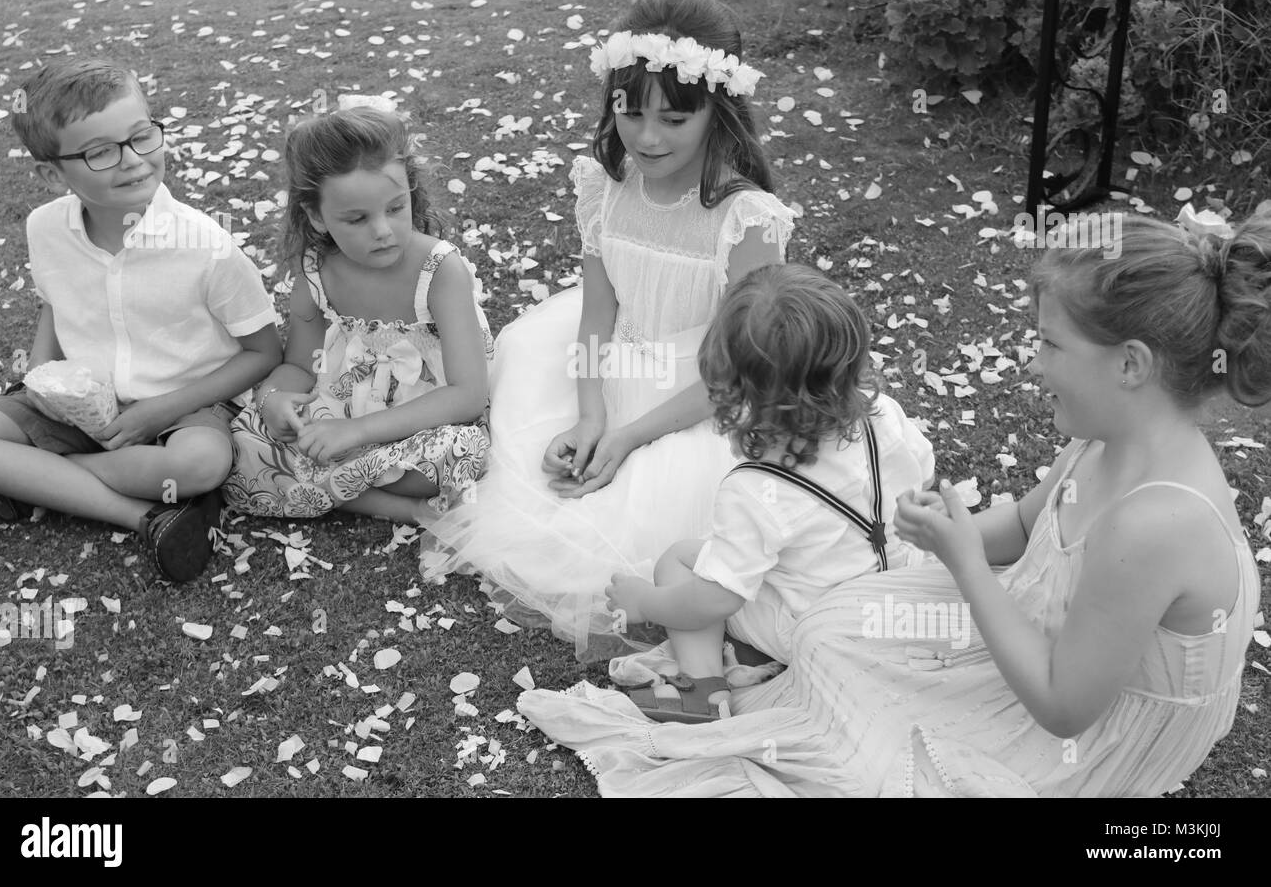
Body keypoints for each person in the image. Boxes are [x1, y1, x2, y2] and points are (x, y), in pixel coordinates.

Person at [519, 207, 1266, 797]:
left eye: (1049, 345)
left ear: (1130, 364)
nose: (1032, 363)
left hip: (1089, 733)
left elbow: (1065, 706)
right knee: (833, 631)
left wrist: (966, 565)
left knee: (867, 752)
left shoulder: (1155, 521)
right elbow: (1022, 529)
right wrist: (951, 531)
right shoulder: (1102, 444)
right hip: (1051, 647)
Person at [422, 0, 796, 659]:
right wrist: (591, 414)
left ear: (720, 111)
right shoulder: (605, 183)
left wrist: (626, 438)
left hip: (706, 392)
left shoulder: (747, 219)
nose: (648, 138)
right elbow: (597, 312)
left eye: (675, 120)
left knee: (650, 518)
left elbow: (734, 369)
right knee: (533, 460)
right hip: (613, 360)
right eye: (631, 112)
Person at [0, 58, 281, 582]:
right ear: (52, 175)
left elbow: (264, 352)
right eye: (100, 152)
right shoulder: (45, 227)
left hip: (186, 405)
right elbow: (55, 300)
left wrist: (159, 412)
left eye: (142, 137)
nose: (132, 160)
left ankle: (29, 483)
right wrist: (44, 376)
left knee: (201, 464)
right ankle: (146, 514)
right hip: (78, 403)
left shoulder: (205, 245)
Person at [603, 264, 935, 722]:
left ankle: (702, 689)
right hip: (893, 601)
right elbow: (923, 475)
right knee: (797, 558)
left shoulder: (756, 488)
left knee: (680, 559)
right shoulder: (885, 417)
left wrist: (646, 602)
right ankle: (749, 654)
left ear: (738, 395)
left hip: (817, 630)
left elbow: (716, 599)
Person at [222, 98, 493, 524]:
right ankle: (399, 505)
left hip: (426, 413)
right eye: (356, 219)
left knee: (462, 453)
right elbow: (299, 364)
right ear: (316, 216)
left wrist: (356, 433)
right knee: (243, 442)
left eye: (395, 208)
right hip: (344, 401)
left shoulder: (440, 270)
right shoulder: (316, 270)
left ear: (410, 191)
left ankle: (339, 490)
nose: (383, 231)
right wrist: (274, 400)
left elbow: (468, 396)